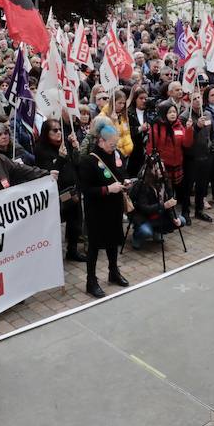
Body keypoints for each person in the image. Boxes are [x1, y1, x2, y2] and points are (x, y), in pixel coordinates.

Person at [75, 123, 130, 297]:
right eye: (111, 144)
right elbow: (85, 189)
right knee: (94, 246)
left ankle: (113, 272)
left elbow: (122, 173)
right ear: (101, 141)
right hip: (96, 210)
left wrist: (126, 183)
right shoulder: (89, 161)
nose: (114, 148)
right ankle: (91, 281)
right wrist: (107, 189)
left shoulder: (117, 154)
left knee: (113, 241)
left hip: (114, 208)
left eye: (116, 144)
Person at [35, 118, 84, 261]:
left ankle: (72, 251)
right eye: (54, 130)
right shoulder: (40, 149)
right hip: (56, 194)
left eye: (59, 129)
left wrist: (75, 148)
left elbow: (77, 163)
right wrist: (61, 158)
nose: (59, 132)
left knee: (75, 221)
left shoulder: (65, 144)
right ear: (46, 132)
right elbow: (49, 172)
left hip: (72, 191)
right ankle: (52, 254)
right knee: (54, 224)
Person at [128, 159, 183, 249]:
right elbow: (144, 208)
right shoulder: (142, 185)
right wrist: (163, 205)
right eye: (157, 168)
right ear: (150, 170)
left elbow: (170, 200)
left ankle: (157, 231)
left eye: (162, 167)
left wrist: (174, 217)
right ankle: (137, 236)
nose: (161, 170)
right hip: (143, 217)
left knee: (181, 221)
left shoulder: (165, 181)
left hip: (160, 214)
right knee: (146, 232)